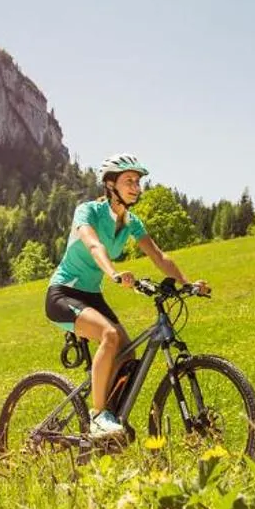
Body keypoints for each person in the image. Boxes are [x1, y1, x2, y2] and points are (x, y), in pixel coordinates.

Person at [47, 153, 207, 440]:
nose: (136, 187)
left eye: (137, 181)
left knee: (128, 351)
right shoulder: (87, 212)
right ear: (111, 185)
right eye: (129, 181)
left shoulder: (131, 222)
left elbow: (158, 256)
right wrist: (114, 274)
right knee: (109, 335)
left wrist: (187, 283)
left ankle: (111, 417)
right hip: (63, 293)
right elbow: (94, 246)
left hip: (91, 296)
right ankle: (98, 417)